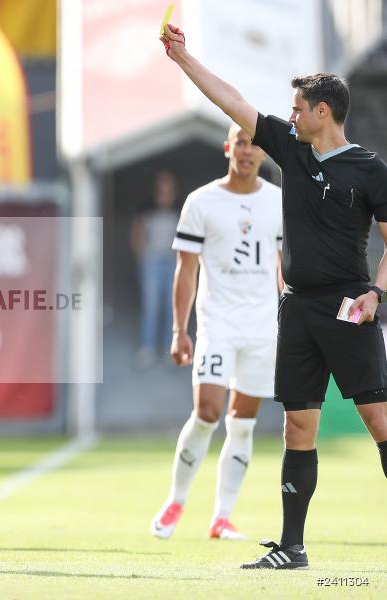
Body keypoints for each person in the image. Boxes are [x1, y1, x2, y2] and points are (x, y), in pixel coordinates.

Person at [161, 23, 387, 570]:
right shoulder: (292, 149)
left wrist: (377, 293)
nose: (290, 116)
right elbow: (233, 101)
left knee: (380, 422)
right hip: (299, 309)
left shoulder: (370, 170)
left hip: (350, 307)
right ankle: (292, 547)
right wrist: (182, 58)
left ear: (325, 112)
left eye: (299, 108)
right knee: (297, 425)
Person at [150, 123, 282, 542]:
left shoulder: (279, 202)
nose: (247, 151)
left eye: (254, 145)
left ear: (263, 153)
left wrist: (287, 317)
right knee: (207, 412)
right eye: (240, 143)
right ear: (228, 147)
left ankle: (222, 516)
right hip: (217, 324)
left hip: (263, 328)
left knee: (243, 423)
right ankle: (176, 501)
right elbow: (185, 270)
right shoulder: (201, 202)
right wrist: (179, 329)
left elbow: (281, 267)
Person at [131, 171, 180, 368]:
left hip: (172, 261)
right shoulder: (146, 208)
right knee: (150, 306)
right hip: (151, 262)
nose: (164, 192)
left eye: (167, 188)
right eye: (161, 187)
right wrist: (141, 257)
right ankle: (147, 348)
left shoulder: (180, 208)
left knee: (172, 307)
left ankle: (169, 349)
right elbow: (137, 232)